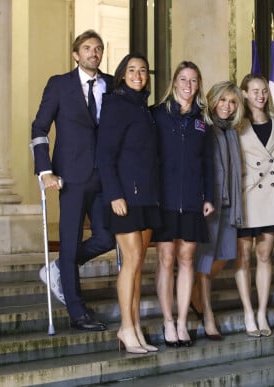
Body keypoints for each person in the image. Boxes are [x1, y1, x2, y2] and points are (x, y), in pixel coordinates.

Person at [30, 29, 115, 331]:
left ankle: (59, 268)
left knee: (107, 238)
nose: (94, 52)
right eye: (88, 48)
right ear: (76, 54)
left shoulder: (111, 85)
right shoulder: (59, 85)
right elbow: (39, 128)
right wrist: (45, 171)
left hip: (104, 177)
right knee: (70, 241)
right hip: (70, 177)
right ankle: (78, 313)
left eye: (99, 48)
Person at [96, 53, 160, 353]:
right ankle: (125, 326)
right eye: (132, 70)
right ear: (122, 75)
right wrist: (114, 194)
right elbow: (105, 155)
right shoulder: (115, 104)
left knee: (138, 266)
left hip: (147, 197)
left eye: (143, 70)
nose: (138, 74)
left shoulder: (144, 108)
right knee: (131, 262)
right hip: (124, 197)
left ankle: (134, 328)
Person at [152, 61, 215, 348]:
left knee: (187, 259)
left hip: (192, 198)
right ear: (174, 82)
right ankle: (167, 321)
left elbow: (209, 163)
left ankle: (181, 323)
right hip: (163, 198)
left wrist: (209, 196)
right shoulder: (158, 114)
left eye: (193, 80)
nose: (188, 85)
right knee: (166, 259)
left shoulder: (203, 120)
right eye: (183, 79)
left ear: (198, 85)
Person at [191, 81, 245, 341]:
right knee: (205, 258)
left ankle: (193, 292)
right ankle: (207, 312)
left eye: (232, 102)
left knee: (224, 255)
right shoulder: (204, 127)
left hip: (230, 202)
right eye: (222, 100)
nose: (227, 106)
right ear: (212, 101)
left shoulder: (232, 131)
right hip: (209, 202)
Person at [235, 73, 274, 337]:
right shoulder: (237, 123)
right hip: (245, 198)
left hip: (270, 200)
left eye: (263, 90)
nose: (260, 95)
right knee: (243, 258)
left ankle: (262, 312)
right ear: (243, 93)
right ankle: (247, 312)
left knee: (265, 256)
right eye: (254, 90)